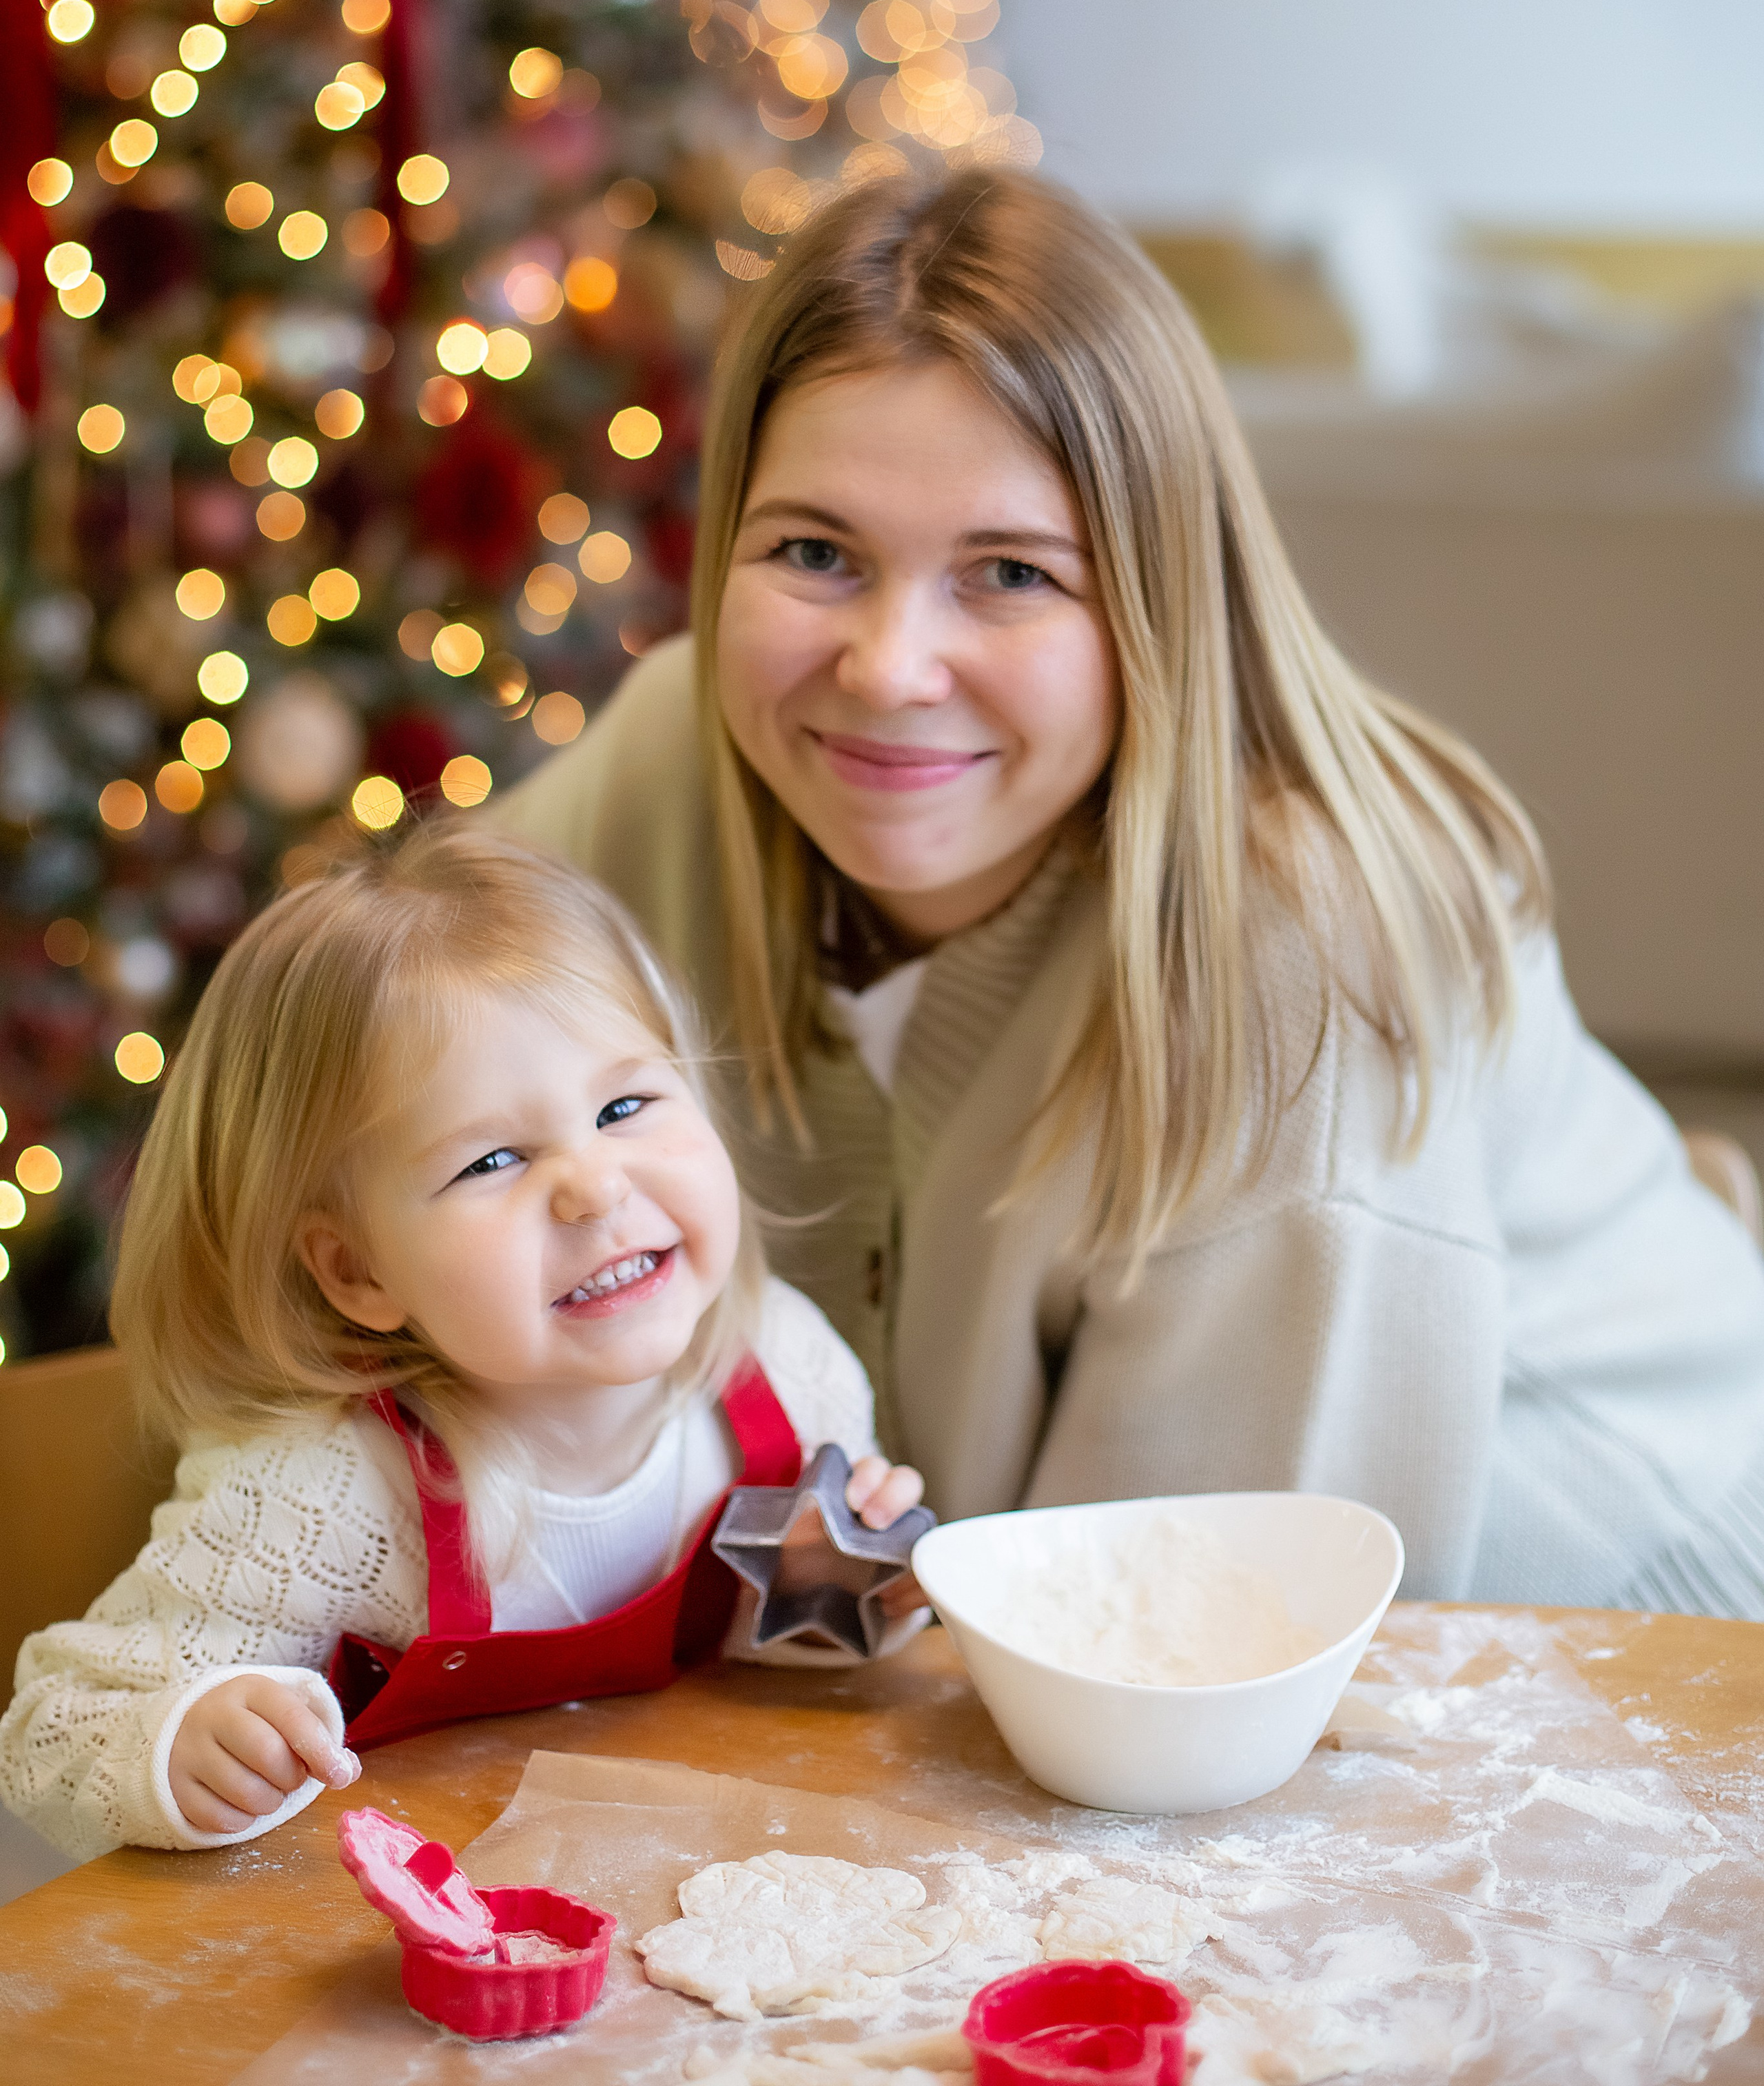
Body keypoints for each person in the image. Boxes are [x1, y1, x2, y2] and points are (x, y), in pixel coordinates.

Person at [498, 165, 1764, 1618]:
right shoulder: (677, 750)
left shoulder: (1302, 951)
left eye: (1009, 574)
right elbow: (346, 1076)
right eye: (815, 552)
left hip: (1614, 1639)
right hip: (1003, 1643)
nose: (888, 669)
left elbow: (1183, 1649)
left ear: (1156, 598)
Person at [0, 826, 925, 1863]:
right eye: (492, 1161)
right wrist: (180, 1746)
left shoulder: (790, 1368)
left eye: (625, 1105)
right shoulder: (324, 1493)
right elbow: (47, 1739)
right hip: (385, 1935)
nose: (594, 1187)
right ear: (359, 1271)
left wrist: (852, 1594)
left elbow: (763, 1667)